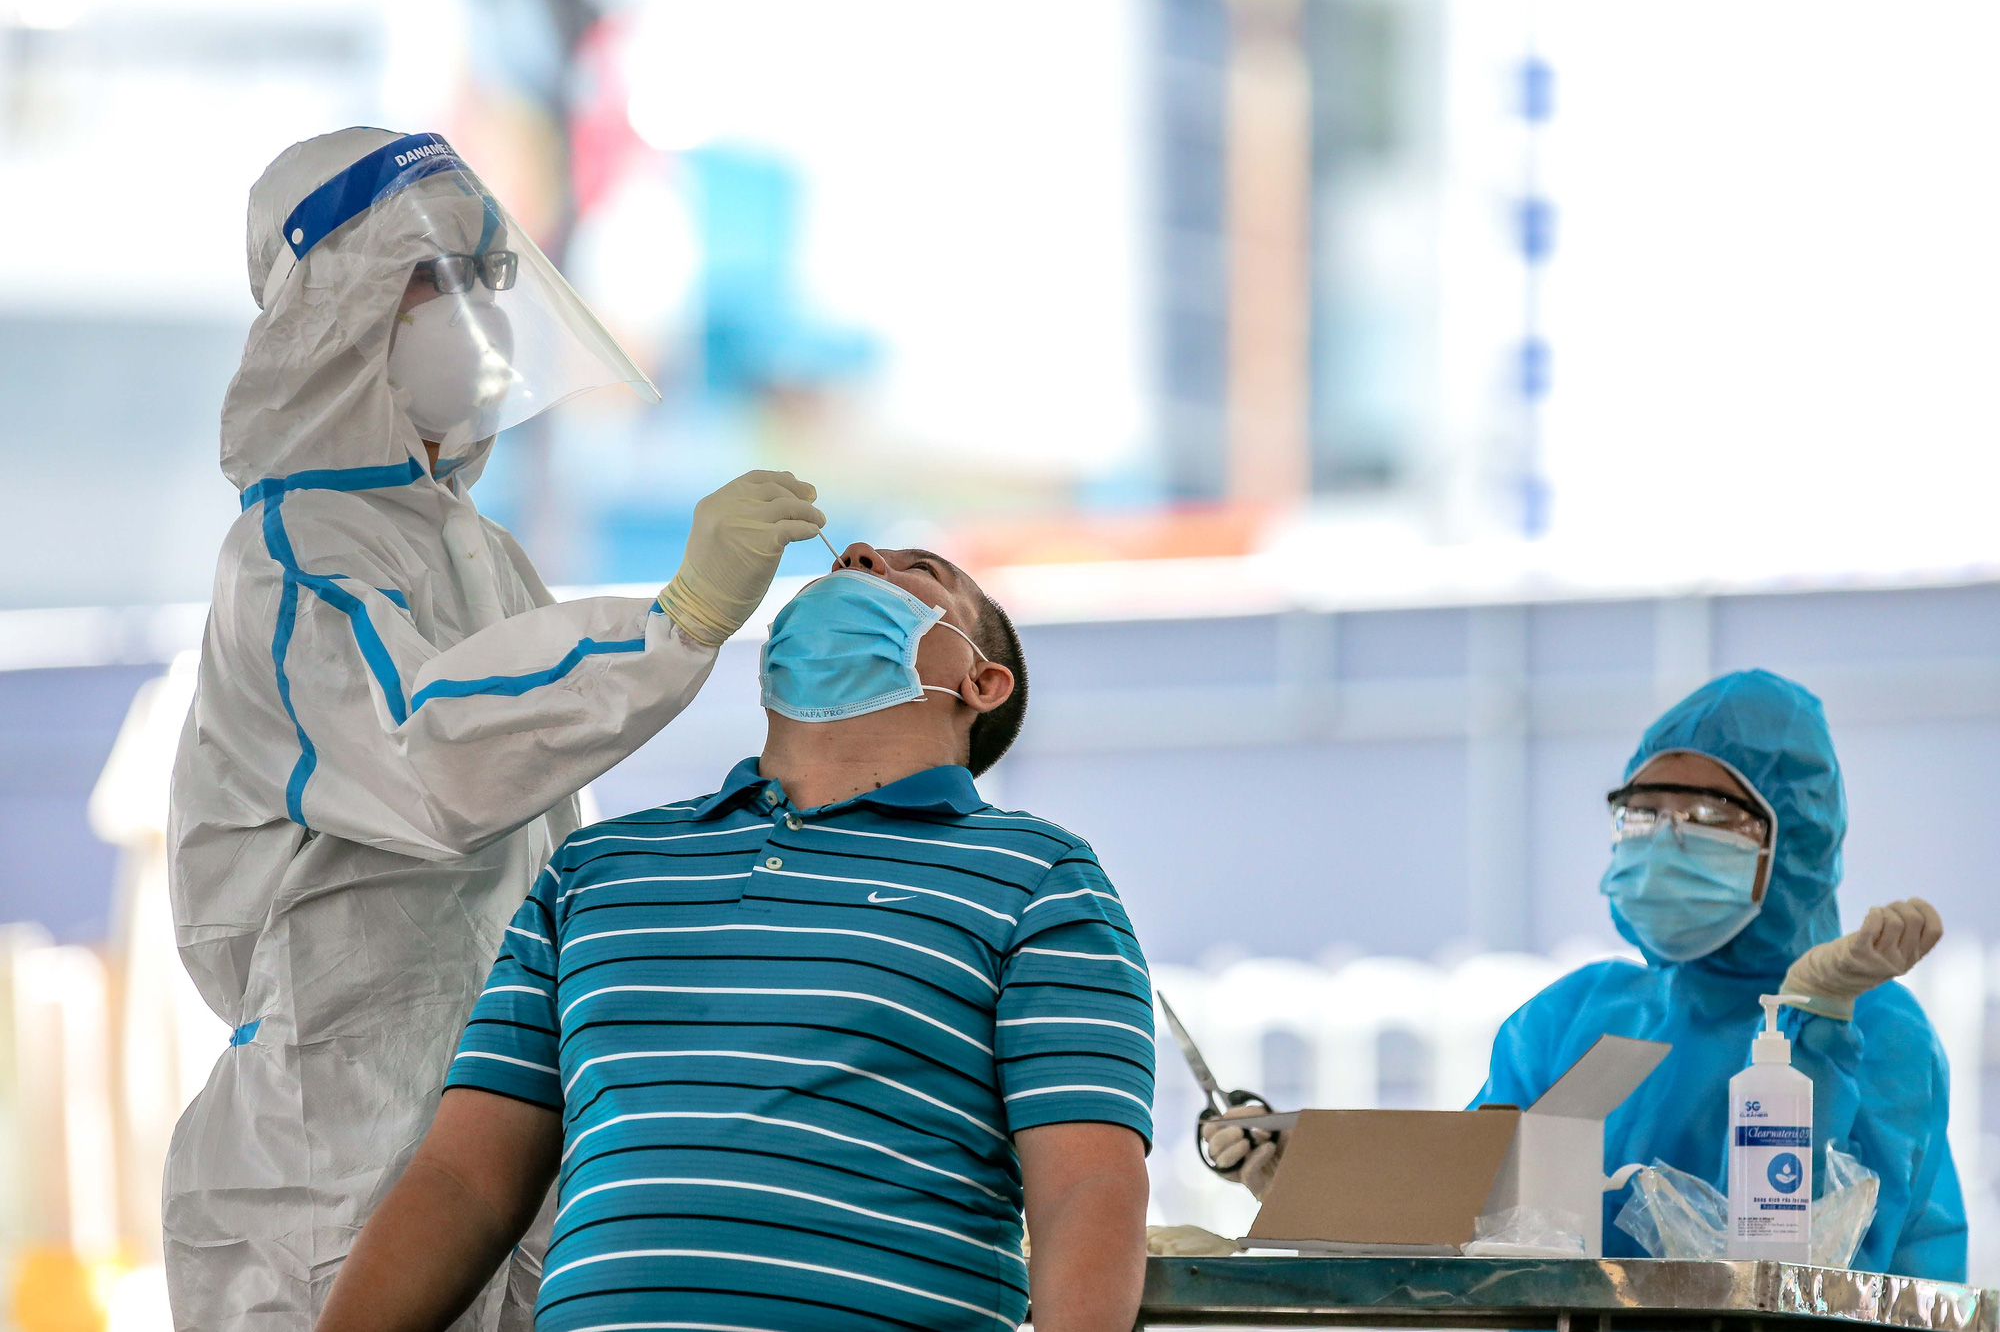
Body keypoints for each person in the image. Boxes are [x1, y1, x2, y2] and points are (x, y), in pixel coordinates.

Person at [166, 126, 826, 1331]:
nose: (474, 308)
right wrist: (677, 618)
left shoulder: (481, 550)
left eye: (488, 272)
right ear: (337, 311)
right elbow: (432, 758)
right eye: (433, 275)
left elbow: (544, 827)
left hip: (500, 1120)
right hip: (335, 1146)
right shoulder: (292, 556)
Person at [315, 543, 1155, 1332]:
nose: (858, 558)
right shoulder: (597, 865)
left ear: (982, 681)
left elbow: (1086, 1184)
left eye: (918, 568)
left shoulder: (1038, 874)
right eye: (849, 558)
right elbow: (464, 1179)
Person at [1203, 670, 1962, 1279]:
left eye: (1705, 817)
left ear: (1793, 841)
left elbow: (1815, 1269)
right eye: (1644, 813)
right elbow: (1465, 1212)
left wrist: (1815, 1022)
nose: (1663, 844)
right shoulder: (1575, 1016)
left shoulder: (1872, 1027)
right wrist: (1311, 1182)